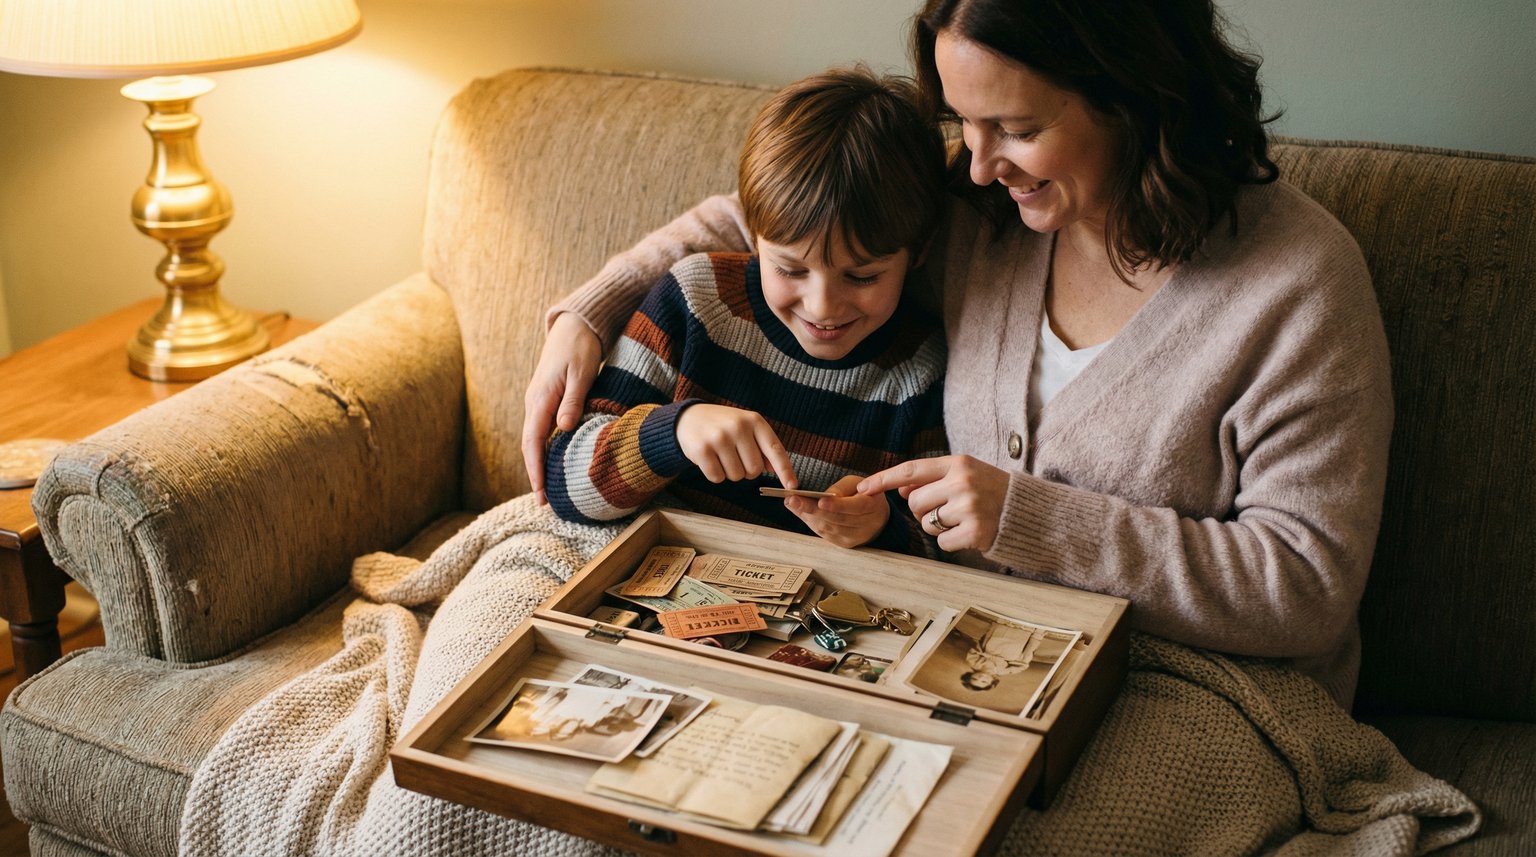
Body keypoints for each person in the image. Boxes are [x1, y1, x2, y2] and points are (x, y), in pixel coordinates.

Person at [526, 0, 1391, 712]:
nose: (974, 167)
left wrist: (1032, 519)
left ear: (1132, 96)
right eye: (962, 125)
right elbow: (793, 220)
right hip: (946, 652)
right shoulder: (987, 215)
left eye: (1011, 127)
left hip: (1190, 687)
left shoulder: (1297, 286)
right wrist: (591, 312)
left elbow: (1307, 589)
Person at [543, 66, 950, 553]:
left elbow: (939, 549)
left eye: (862, 276)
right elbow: (565, 484)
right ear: (752, 236)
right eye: (791, 269)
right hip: (637, 562)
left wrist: (879, 527)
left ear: (918, 254)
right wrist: (670, 432)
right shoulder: (697, 300)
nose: (822, 306)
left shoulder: (919, 371)